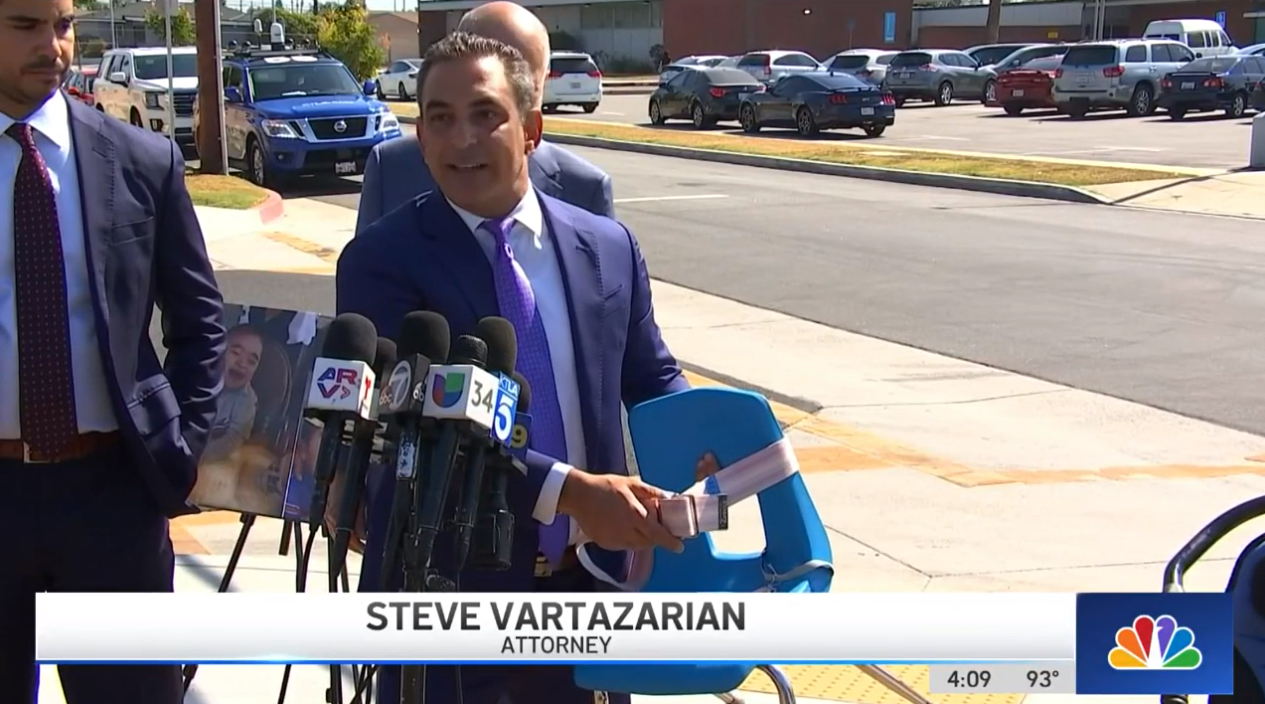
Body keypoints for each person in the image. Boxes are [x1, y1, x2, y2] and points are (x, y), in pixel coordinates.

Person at [337, 32, 694, 704]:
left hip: (591, 589)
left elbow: (651, 382)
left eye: (483, 115)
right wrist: (571, 491)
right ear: (419, 135)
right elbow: (418, 431)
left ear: (530, 129)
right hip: (447, 603)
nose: (460, 139)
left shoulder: (605, 247)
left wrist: (708, 450)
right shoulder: (382, 262)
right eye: (438, 119)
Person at [0, 0, 226, 700]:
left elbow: (199, 318)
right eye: (26, 26)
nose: (54, 46)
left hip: (112, 496)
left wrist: (178, 447)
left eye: (63, 24)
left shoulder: (140, 158)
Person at [354, 1, 615, 235]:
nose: (465, 138)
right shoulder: (392, 169)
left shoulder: (585, 189)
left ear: (543, 80)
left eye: (522, 79)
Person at [202, 324, 263, 464]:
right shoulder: (200, 377)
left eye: (251, 361)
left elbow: (231, 442)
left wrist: (198, 457)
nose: (242, 364)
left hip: (208, 461)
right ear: (219, 352)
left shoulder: (247, 402)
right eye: (235, 353)